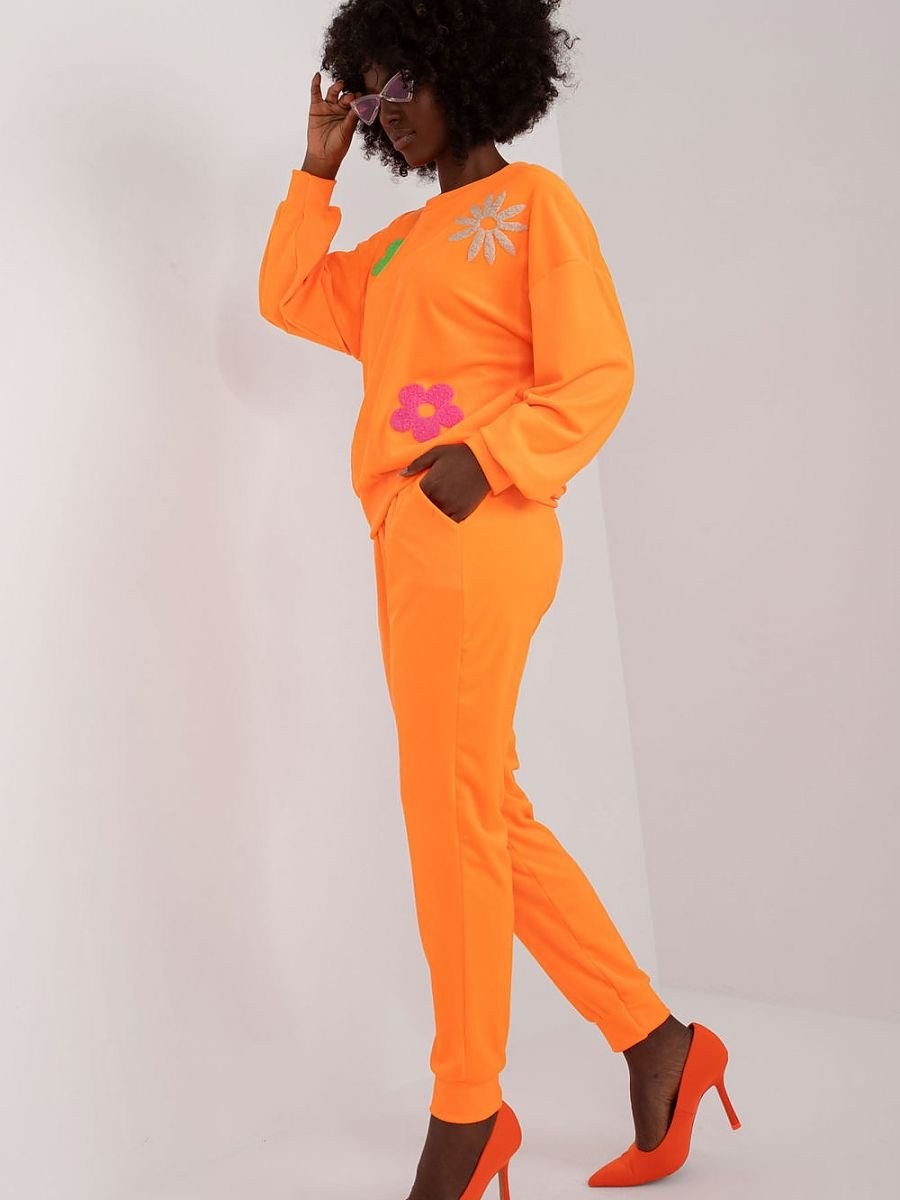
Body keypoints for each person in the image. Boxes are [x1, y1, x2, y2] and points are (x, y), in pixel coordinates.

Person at [258, 3, 739, 1196]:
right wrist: (317, 172)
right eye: (368, 95)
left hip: (483, 525)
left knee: (449, 815)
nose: (385, 113)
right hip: (410, 535)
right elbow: (289, 296)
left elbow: (597, 372)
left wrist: (481, 464)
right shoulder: (395, 248)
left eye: (400, 85)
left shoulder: (534, 208)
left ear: (467, 70)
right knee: (478, 808)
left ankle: (469, 1110)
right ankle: (658, 1043)